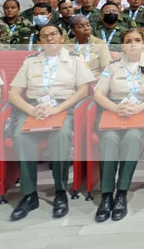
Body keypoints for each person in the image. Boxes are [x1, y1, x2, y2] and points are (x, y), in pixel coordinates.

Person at [8, 24, 94, 221]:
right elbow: (14, 93)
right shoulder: (30, 61)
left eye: (53, 34)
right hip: (34, 108)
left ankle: (60, 192)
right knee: (20, 137)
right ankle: (29, 195)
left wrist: (57, 109)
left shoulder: (75, 59)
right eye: (44, 36)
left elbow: (83, 90)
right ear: (39, 41)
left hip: (63, 107)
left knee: (61, 135)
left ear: (62, 38)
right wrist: (31, 109)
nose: (49, 38)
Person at [92, 29, 144, 222]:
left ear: (143, 43)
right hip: (115, 111)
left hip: (140, 112)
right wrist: (116, 108)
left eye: (137, 40)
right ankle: (107, 195)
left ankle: (122, 194)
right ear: (123, 45)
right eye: (128, 41)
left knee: (133, 139)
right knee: (108, 140)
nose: (133, 44)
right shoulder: (113, 65)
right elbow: (98, 93)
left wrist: (140, 107)